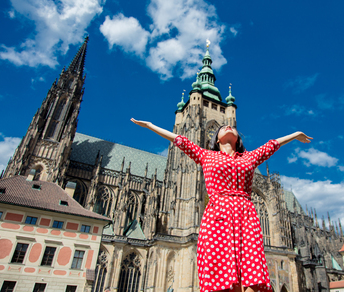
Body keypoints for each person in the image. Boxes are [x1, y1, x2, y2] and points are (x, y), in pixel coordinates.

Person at [131, 118, 312, 292]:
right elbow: (179, 140)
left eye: (231, 127)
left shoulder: (248, 157)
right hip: (218, 217)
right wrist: (150, 126)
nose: (227, 127)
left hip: (245, 217)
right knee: (221, 277)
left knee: (253, 273)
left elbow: (273, 145)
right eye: (222, 128)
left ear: (238, 139)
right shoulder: (206, 155)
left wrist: (295, 134)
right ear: (216, 139)